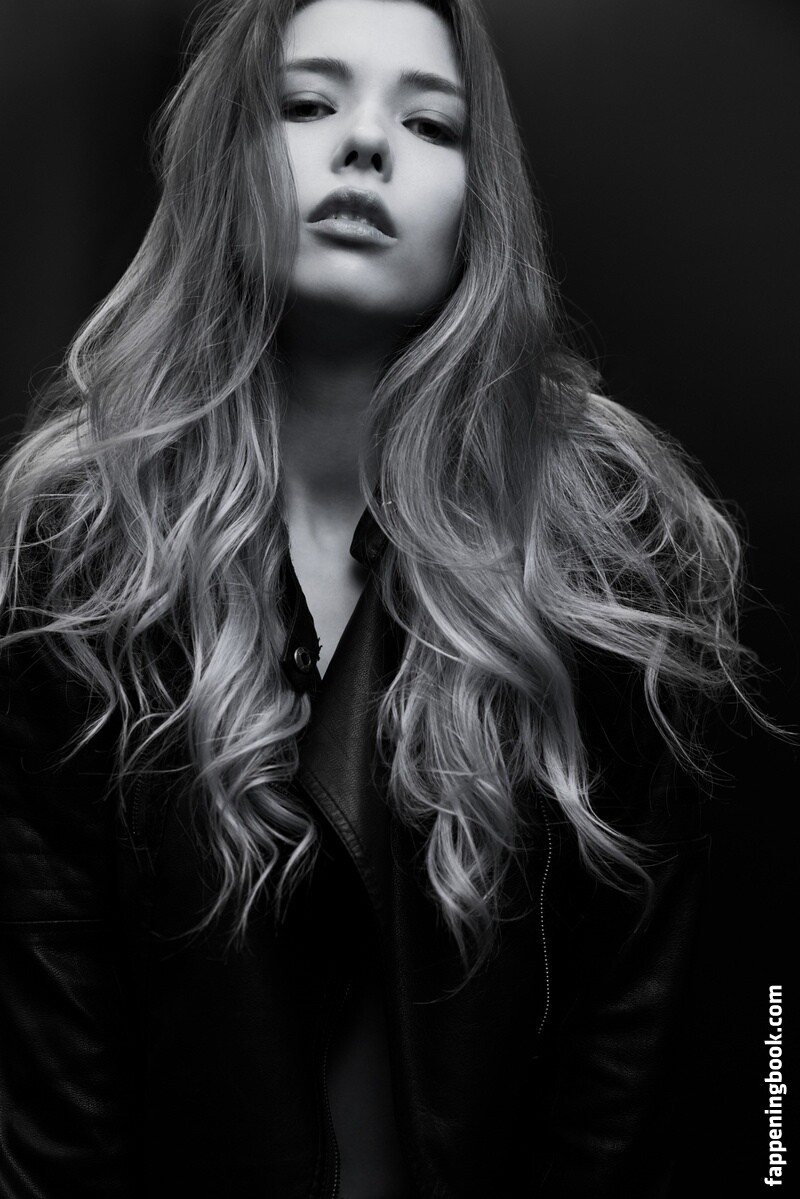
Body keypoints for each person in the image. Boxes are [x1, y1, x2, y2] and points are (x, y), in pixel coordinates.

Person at [0, 0, 759, 1196]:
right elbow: (54, 1083)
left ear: (479, 203)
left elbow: (641, 1057)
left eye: (428, 122)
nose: (363, 143)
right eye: (306, 103)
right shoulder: (78, 545)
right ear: (222, 157)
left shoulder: (609, 551)